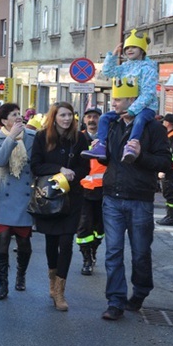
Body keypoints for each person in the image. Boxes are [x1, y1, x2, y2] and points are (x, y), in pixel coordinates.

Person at [98, 78, 171, 320]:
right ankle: (115, 301)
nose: (113, 103)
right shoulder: (112, 124)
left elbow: (165, 163)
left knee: (140, 252)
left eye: (118, 99)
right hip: (112, 197)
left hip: (140, 198)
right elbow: (108, 159)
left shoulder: (154, 128)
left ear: (133, 101)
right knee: (113, 252)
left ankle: (140, 291)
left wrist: (140, 156)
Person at [29, 102, 90, 311]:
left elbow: (86, 166)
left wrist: (73, 175)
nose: (66, 119)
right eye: (63, 115)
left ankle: (60, 291)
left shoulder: (79, 138)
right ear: (54, 117)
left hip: (72, 198)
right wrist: (60, 170)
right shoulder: (41, 137)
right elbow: (35, 166)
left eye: (70, 115)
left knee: (66, 242)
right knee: (51, 242)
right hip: (50, 198)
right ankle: (52, 281)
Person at [83, 29, 158, 163]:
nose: (129, 50)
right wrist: (112, 55)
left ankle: (130, 147)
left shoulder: (149, 69)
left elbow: (148, 93)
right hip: (126, 108)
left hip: (146, 108)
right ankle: (101, 146)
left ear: (142, 50)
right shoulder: (125, 66)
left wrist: (133, 110)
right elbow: (108, 71)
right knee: (105, 117)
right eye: (127, 48)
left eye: (134, 47)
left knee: (140, 119)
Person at [0, 102, 36, 300]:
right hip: (3, 195)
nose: (18, 117)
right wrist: (12, 137)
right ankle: (3, 284)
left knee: (24, 242)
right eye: (13, 115)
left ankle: (21, 275)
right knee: (2, 240)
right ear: (4, 121)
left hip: (25, 195)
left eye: (19, 113)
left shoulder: (33, 137)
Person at [77, 107, 106, 276]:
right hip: (84, 191)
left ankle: (93, 249)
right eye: (89, 117)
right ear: (84, 119)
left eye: (95, 117)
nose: (92, 120)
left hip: (104, 190)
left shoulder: (107, 137)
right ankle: (86, 258)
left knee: (100, 228)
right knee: (83, 226)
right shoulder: (79, 138)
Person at [156, 113, 173, 226]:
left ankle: (172, 217)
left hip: (172, 170)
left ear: (167, 123)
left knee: (169, 193)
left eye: (164, 122)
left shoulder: (172, 136)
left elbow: (172, 155)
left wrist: (164, 170)